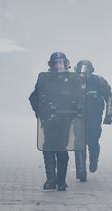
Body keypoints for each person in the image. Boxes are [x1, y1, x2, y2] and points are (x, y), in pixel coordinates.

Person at [29, 52, 87, 191]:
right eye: (56, 63)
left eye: (61, 63)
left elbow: (80, 98)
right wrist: (39, 111)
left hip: (65, 120)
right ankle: (51, 179)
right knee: (48, 147)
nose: (59, 67)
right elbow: (33, 97)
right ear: (51, 65)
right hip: (48, 119)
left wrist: (77, 112)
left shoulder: (74, 80)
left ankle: (61, 179)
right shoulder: (44, 79)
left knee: (61, 148)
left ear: (67, 64)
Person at [73, 60, 112, 182]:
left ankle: (94, 159)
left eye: (87, 70)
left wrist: (109, 115)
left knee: (93, 140)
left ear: (92, 70)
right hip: (78, 117)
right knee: (79, 142)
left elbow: (109, 97)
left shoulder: (99, 81)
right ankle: (81, 169)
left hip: (95, 117)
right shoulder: (72, 81)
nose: (85, 73)